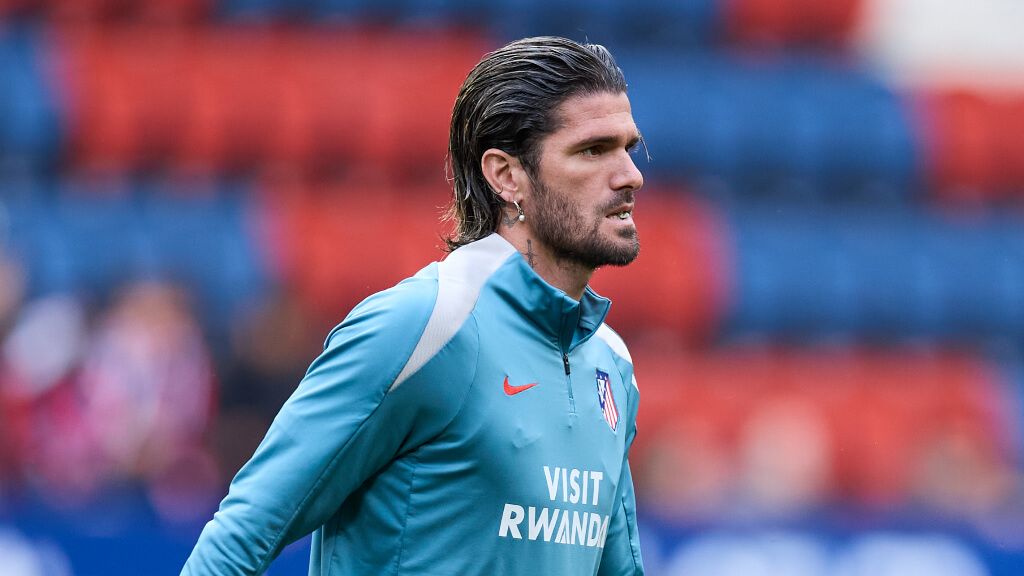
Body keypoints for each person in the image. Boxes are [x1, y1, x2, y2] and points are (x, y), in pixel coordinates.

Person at [182, 35, 646, 575]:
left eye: (627, 149)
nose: (629, 176)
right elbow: (241, 534)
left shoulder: (611, 364)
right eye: (593, 150)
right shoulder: (424, 326)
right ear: (506, 176)